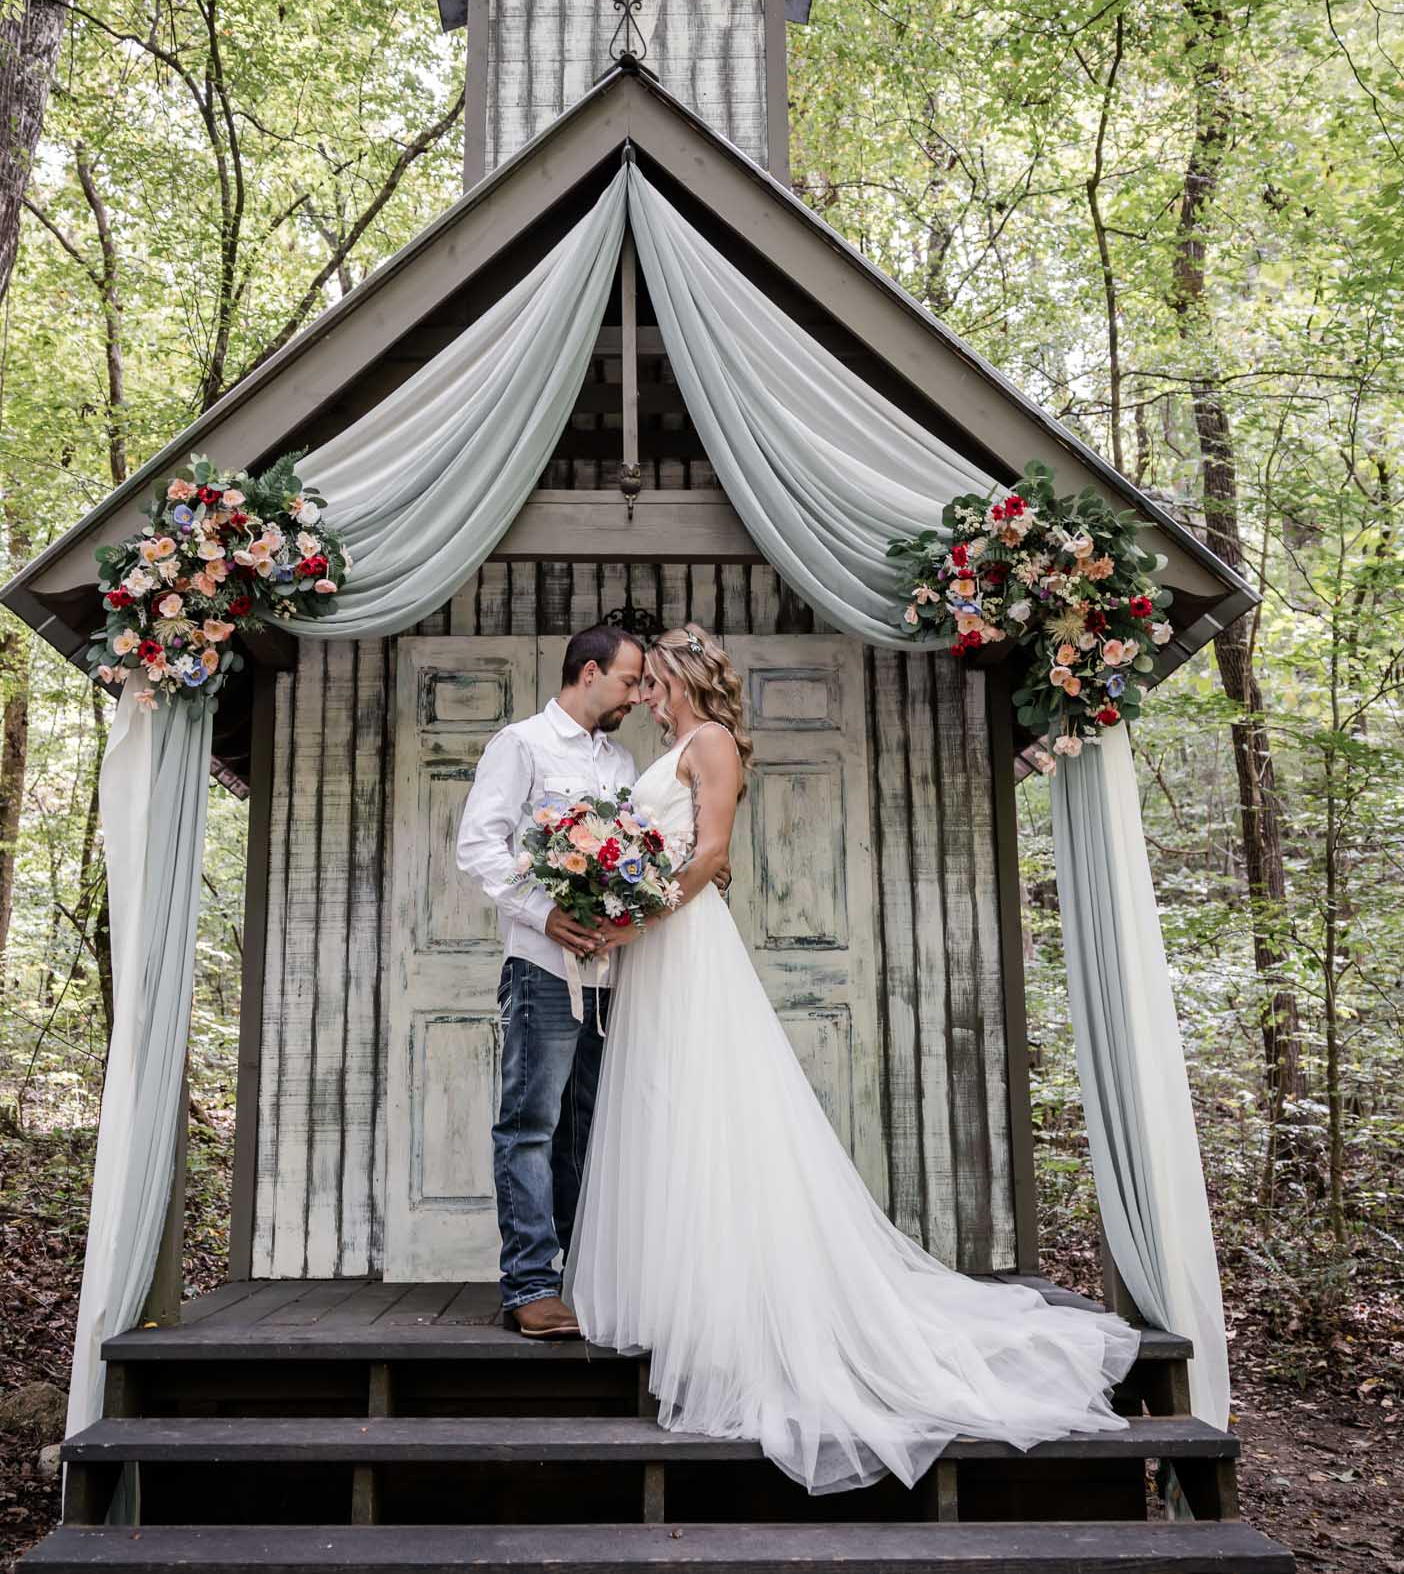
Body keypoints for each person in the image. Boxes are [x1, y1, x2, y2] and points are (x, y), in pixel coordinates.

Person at [565, 623, 1142, 1494]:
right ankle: (680, 1300)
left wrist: (635, 914)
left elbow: (712, 851)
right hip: (653, 950)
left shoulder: (713, 741)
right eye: (636, 683)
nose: (643, 692)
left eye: (652, 681)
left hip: (683, 947)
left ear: (680, 676)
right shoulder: (676, 743)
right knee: (661, 1107)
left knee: (704, 1107)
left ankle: (737, 1313)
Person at [453, 624, 642, 1340]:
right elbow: (479, 843)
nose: (635, 694)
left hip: (607, 973)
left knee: (583, 1129)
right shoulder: (522, 744)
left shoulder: (619, 760)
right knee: (529, 1126)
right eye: (628, 680)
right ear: (588, 671)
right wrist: (543, 911)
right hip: (541, 968)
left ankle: (580, 1274)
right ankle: (529, 1283)